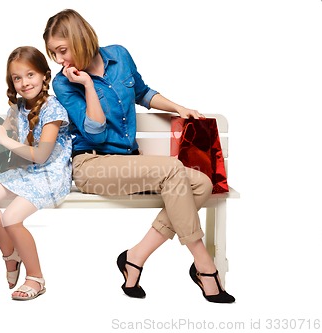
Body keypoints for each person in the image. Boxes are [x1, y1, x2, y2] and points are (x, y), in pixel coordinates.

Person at [43, 9, 235, 303]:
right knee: (174, 171)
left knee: (202, 185)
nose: (60, 61)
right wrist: (88, 85)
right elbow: (94, 132)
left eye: (62, 51)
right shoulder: (64, 83)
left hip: (131, 162)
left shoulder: (119, 55)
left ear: (80, 39)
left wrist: (178, 108)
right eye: (54, 54)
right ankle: (204, 265)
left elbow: (143, 93)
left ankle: (134, 257)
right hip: (92, 166)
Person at [0, 46, 72, 301]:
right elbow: (7, 128)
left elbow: (41, 156)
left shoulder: (54, 109)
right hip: (28, 171)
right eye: (17, 78)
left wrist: (5, 141)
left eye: (30, 75)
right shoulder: (19, 106)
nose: (24, 82)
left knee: (11, 218)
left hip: (51, 174)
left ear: (44, 76)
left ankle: (36, 278)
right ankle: (10, 254)